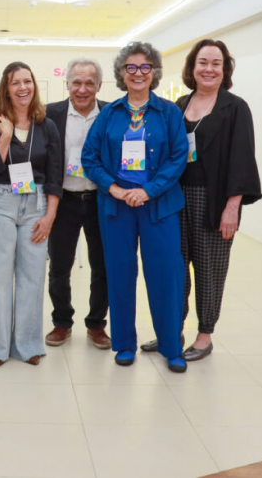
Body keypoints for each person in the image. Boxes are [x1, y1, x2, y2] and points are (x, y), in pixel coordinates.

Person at [140, 40, 261, 360]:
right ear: (192, 68)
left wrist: (232, 207)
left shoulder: (235, 108)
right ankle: (171, 331)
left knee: (210, 269)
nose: (209, 69)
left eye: (216, 63)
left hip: (215, 200)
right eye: (202, 62)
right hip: (175, 200)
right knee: (174, 268)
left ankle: (204, 335)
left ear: (225, 70)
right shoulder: (178, 106)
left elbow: (242, 160)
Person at [81, 41, 189, 373]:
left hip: (159, 206)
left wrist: (149, 190)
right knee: (120, 275)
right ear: (121, 74)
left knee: (166, 277)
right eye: (131, 67)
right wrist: (112, 188)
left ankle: (171, 346)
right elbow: (90, 158)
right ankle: (124, 343)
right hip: (116, 208)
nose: (138, 73)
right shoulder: (109, 114)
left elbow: (178, 157)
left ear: (154, 73)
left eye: (145, 67)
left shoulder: (169, 112)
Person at [0, 62, 62, 366]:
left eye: (28, 81)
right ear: (6, 88)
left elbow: (54, 175)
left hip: (36, 205)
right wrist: (5, 135)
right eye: (16, 83)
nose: (23, 87)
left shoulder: (47, 125)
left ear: (34, 86)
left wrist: (50, 215)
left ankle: (27, 345)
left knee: (32, 277)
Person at [44, 58, 111, 350]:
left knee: (103, 266)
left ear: (98, 85)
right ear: (67, 84)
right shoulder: (50, 114)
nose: (82, 89)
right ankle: (62, 322)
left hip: (101, 200)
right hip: (64, 200)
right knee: (60, 266)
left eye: (89, 83)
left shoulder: (112, 113)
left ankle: (96, 324)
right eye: (76, 82)